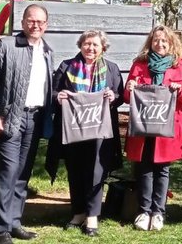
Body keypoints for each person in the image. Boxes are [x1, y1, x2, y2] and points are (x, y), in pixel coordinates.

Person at [0, 4, 53, 244]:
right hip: (10, 118)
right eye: (31, 21)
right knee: (8, 172)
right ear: (22, 22)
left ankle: (14, 222)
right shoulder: (7, 45)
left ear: (46, 25)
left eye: (41, 22)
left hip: (35, 118)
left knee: (23, 173)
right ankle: (1, 228)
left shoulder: (47, 51)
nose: (36, 25)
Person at [44, 30, 124, 236]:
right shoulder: (66, 66)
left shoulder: (112, 69)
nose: (90, 48)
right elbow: (52, 92)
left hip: (100, 130)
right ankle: (78, 212)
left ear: (102, 47)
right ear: (80, 45)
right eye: (87, 44)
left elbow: (120, 96)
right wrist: (58, 96)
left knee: (96, 171)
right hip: (73, 128)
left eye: (95, 45)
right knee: (76, 169)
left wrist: (112, 96)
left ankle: (92, 217)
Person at [124, 25, 182, 231]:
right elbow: (128, 96)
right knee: (144, 167)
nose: (160, 44)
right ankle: (143, 211)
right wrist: (130, 88)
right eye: (156, 40)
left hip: (168, 126)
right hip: (144, 124)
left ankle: (158, 212)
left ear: (171, 43)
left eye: (164, 41)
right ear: (150, 43)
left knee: (162, 169)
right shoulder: (140, 65)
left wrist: (180, 89)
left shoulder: (181, 66)